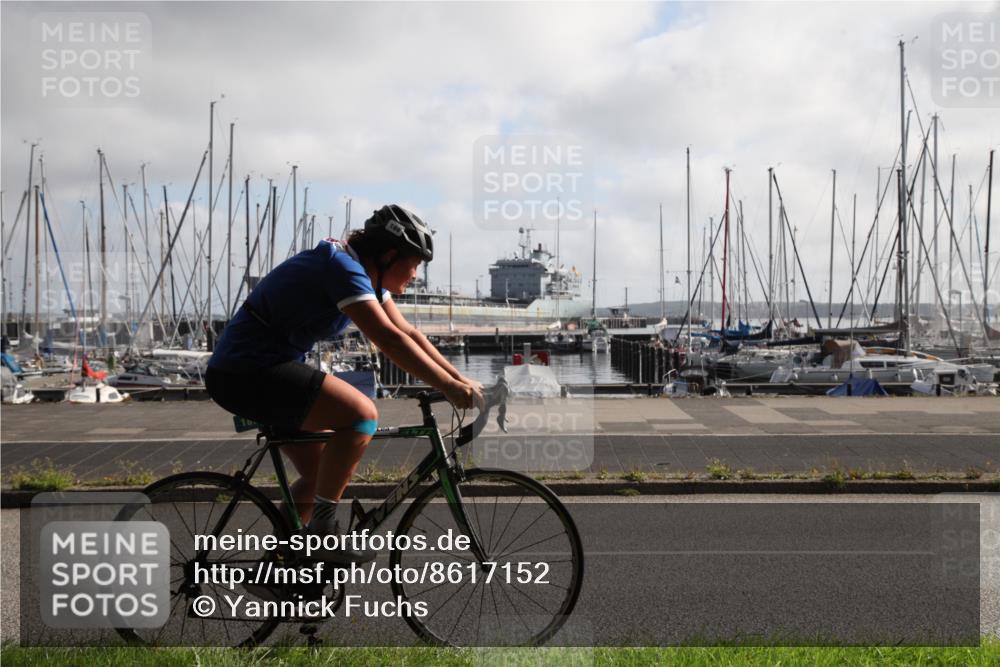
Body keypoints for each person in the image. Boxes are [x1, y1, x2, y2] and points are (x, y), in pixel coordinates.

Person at [206, 204, 483, 562]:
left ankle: (276, 569)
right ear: (388, 255)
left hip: (259, 368)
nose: (416, 274)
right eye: (414, 263)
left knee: (322, 474)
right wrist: (447, 387)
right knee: (361, 416)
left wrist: (462, 380)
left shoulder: (363, 274)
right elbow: (388, 340)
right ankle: (323, 533)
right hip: (245, 371)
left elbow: (408, 333)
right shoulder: (341, 268)